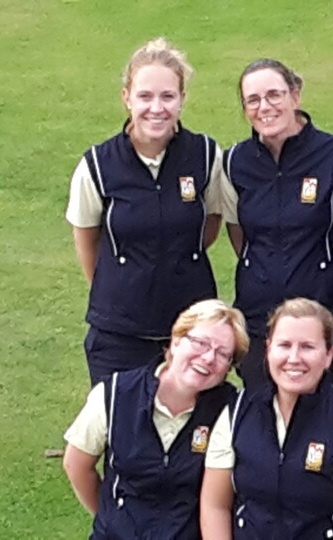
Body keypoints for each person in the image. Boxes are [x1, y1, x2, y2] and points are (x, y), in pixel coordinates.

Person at [66, 37, 225, 386]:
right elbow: (87, 240)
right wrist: (122, 283)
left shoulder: (205, 155)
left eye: (167, 96)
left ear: (182, 98)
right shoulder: (97, 165)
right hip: (119, 335)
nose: (157, 108)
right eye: (145, 96)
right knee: (122, 418)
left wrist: (174, 255)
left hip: (194, 329)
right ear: (127, 98)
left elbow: (212, 221)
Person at [219, 58, 333, 390]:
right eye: (253, 100)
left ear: (295, 96)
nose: (265, 107)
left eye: (274, 95)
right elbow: (239, 235)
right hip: (260, 326)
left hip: (324, 325)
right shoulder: (234, 163)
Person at [200, 298, 333, 539]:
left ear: (329, 355)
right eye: (284, 345)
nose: (294, 358)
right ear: (268, 349)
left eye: (307, 347)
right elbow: (215, 506)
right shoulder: (238, 412)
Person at [62, 299, 248, 539]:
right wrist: (111, 519)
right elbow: (76, 465)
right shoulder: (115, 393)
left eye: (223, 354)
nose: (208, 358)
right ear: (176, 341)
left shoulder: (232, 409)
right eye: (201, 343)